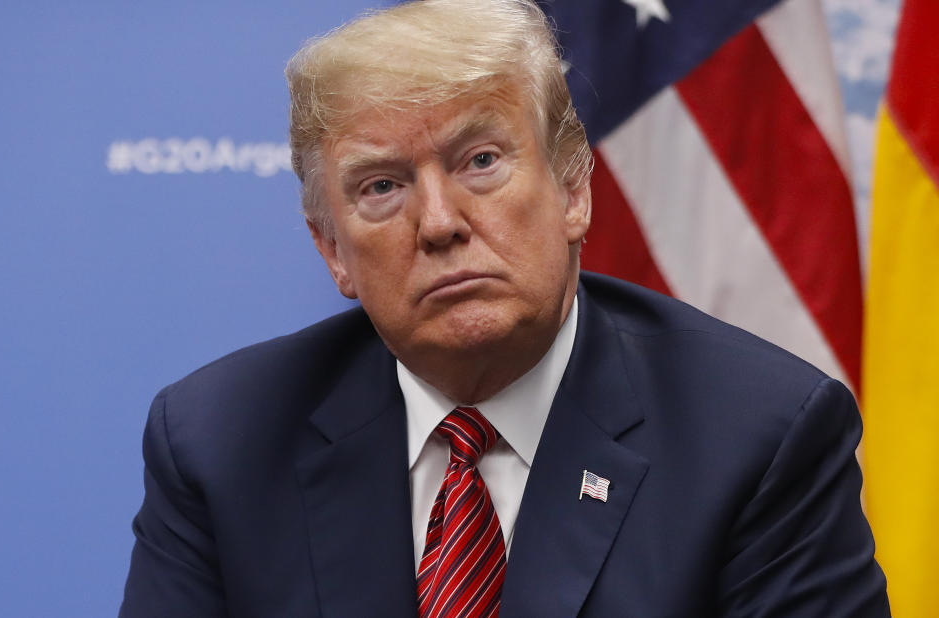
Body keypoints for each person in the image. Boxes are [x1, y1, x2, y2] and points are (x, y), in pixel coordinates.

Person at [119, 0, 889, 616]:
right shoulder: (221, 443)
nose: (440, 222)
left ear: (573, 190)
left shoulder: (757, 436)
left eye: (480, 161)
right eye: (381, 186)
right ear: (331, 250)